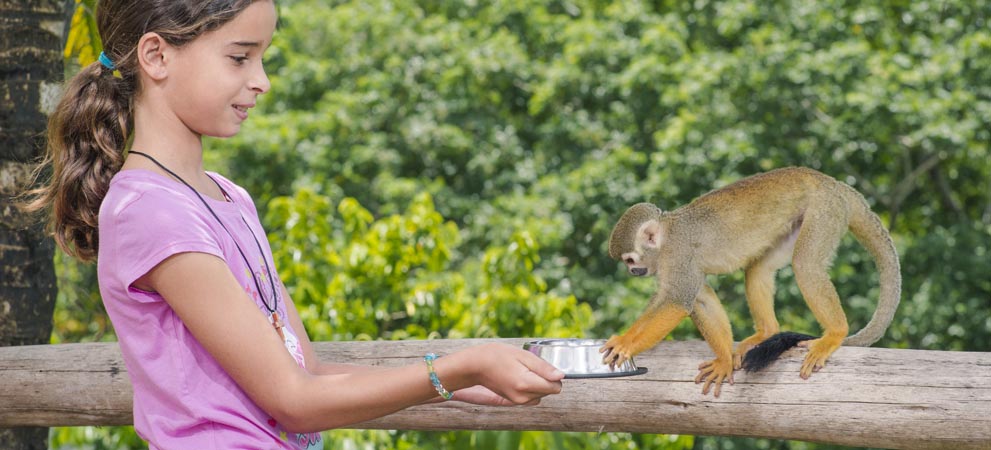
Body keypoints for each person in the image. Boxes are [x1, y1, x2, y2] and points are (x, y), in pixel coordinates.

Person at [23, 1, 564, 448]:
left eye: (263, 57)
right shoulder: (149, 211)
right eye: (239, 57)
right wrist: (462, 368)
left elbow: (303, 374)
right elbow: (295, 404)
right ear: (157, 55)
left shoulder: (228, 197)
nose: (262, 82)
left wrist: (465, 383)